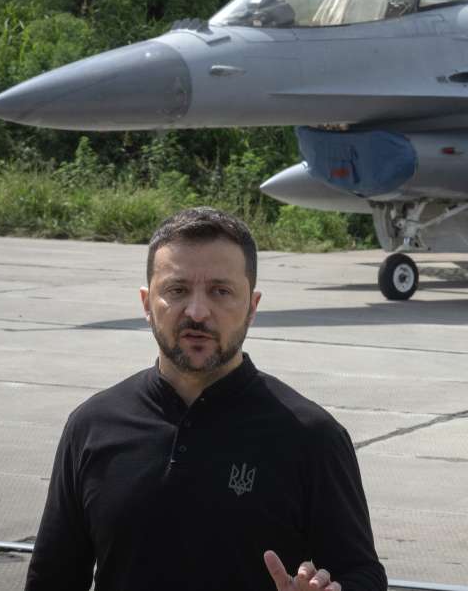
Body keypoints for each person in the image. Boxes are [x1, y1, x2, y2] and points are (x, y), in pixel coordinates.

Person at [26, 207, 387, 591]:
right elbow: (52, 579)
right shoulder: (92, 426)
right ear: (147, 303)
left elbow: (362, 574)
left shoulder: (312, 436)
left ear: (252, 306)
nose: (197, 312)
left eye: (221, 291)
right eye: (177, 290)